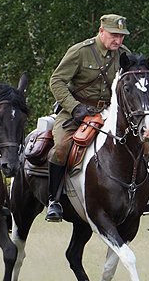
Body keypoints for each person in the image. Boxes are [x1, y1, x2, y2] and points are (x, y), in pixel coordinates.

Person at [45, 14, 131, 222]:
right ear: (101, 31)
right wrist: (74, 108)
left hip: (109, 113)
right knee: (61, 149)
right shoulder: (80, 51)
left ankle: (139, 194)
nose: (118, 41)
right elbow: (56, 81)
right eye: (113, 35)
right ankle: (54, 200)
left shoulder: (124, 55)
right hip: (77, 112)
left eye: (121, 36)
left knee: (138, 144)